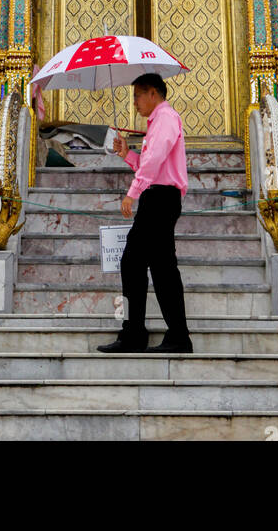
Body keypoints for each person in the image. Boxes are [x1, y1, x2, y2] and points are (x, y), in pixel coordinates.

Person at [97, 72, 192, 354]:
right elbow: (150, 164)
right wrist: (127, 154)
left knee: (151, 267)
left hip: (160, 199)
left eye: (138, 95)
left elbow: (153, 163)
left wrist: (132, 192)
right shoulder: (158, 122)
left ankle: (148, 333)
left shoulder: (165, 118)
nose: (135, 102)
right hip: (159, 198)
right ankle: (145, 332)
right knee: (148, 266)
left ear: (153, 93)